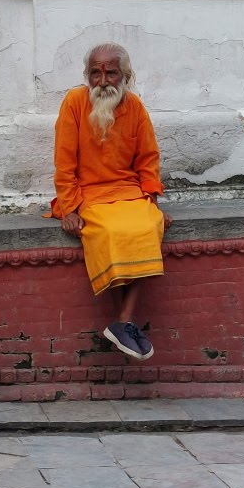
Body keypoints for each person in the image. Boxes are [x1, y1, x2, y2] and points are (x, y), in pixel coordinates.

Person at [49, 43, 172, 360]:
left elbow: (148, 161)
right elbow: (64, 164)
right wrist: (71, 209)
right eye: (95, 73)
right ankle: (125, 324)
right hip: (89, 195)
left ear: (125, 76)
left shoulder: (136, 107)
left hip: (129, 193)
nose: (102, 81)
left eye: (110, 72)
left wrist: (152, 202)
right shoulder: (74, 103)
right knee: (112, 233)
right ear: (87, 75)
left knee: (147, 227)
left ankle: (123, 322)